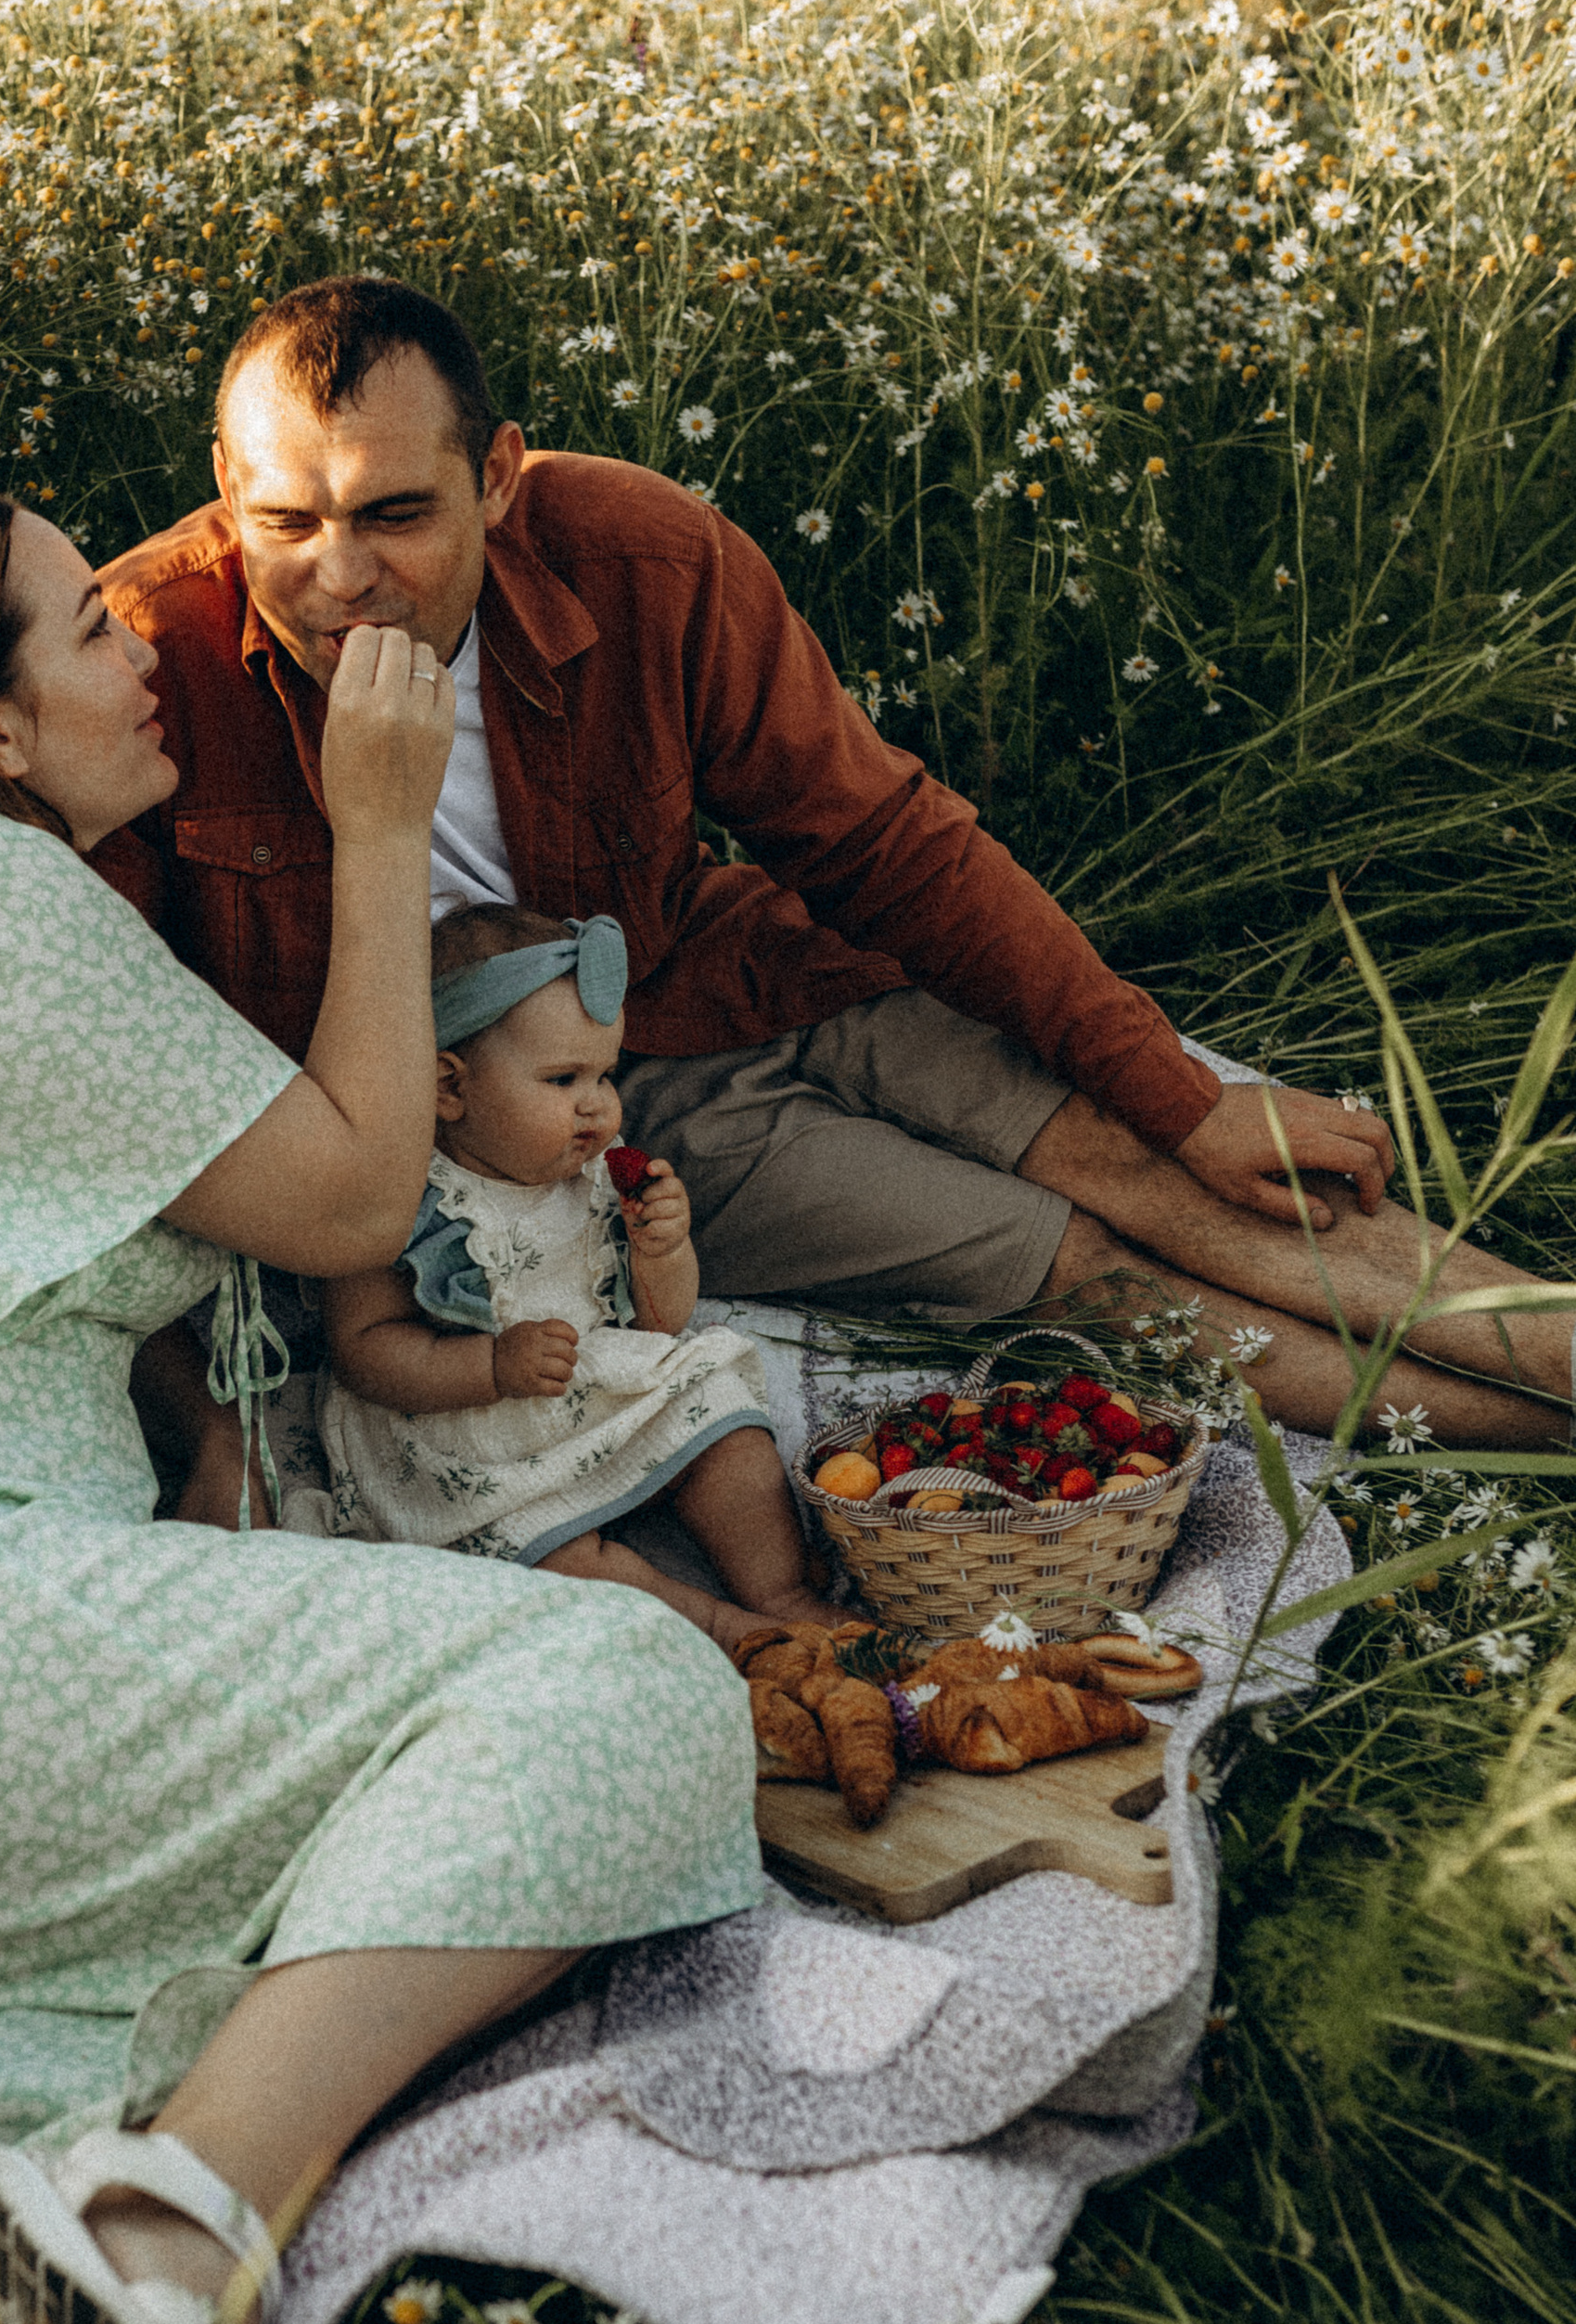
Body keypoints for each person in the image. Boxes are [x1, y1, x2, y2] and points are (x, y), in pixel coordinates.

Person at [0, 486, 765, 2324]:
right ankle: (144, 2250)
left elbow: (47, 1268)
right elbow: (344, 1195)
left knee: (491, 1718)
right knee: (631, 1694)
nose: (146, 643)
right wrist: (381, 826)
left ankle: (60, 2287)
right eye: (80, 628)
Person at [98, 276, 1573, 1448]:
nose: (337, 575)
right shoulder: (148, 663)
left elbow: (879, 840)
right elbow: (112, 1073)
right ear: (224, 480)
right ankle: (1535, 1444)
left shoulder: (640, 554)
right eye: (282, 519)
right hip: (571, 1128)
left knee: (1150, 1149)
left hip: (726, 973)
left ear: (496, 475)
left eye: (394, 516)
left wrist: (1179, 1090)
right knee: (1074, 1260)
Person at [302, 901, 846, 1654]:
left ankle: (783, 1590)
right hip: (461, 1437)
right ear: (448, 1089)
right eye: (563, 1078)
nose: (597, 1104)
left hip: (582, 1390)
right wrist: (489, 1364)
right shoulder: (402, 1196)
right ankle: (723, 1631)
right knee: (553, 1560)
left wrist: (662, 1251)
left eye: (605, 1074)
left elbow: (657, 1325)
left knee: (721, 1411)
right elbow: (363, 1350)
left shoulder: (591, 1173)